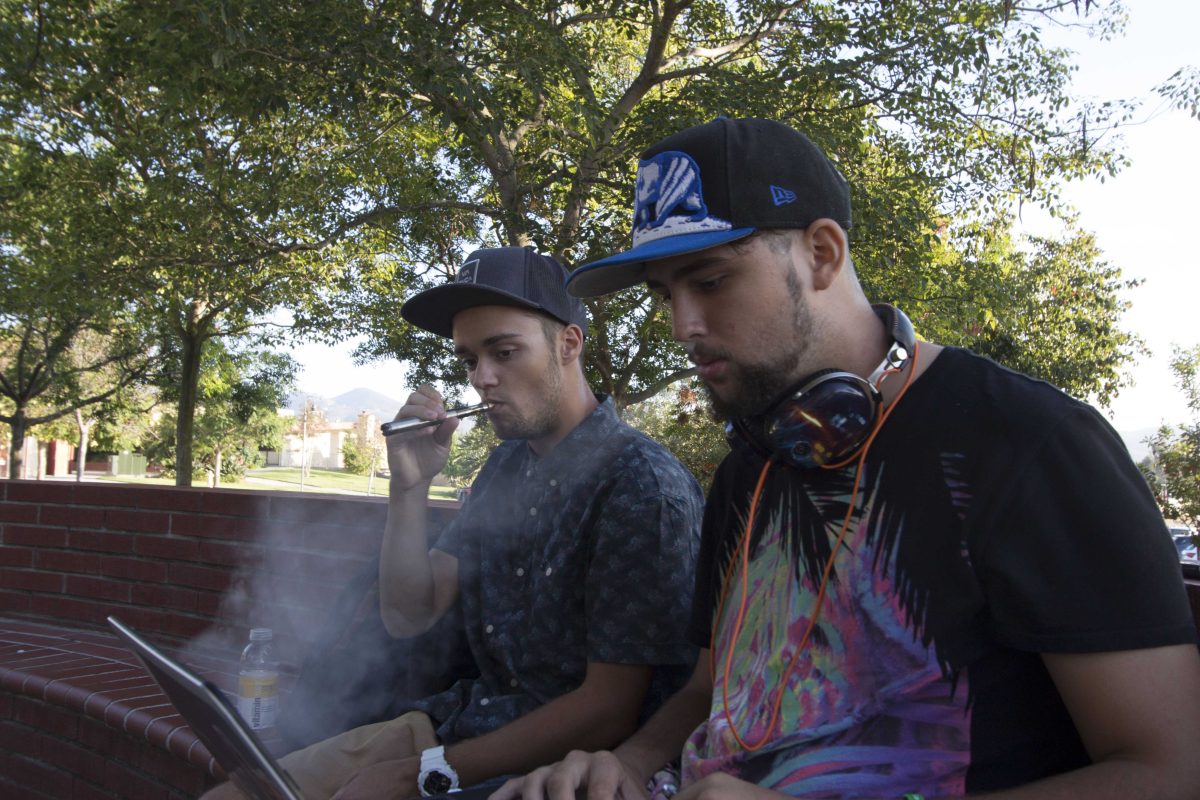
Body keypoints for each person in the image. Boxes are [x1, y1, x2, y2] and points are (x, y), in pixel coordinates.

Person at [491, 118, 1200, 800]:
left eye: (709, 282)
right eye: (666, 294)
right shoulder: (751, 464)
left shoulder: (1033, 445)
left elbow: (1168, 774)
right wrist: (630, 764)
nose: (684, 327)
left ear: (823, 254)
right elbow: (714, 689)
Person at [204, 246, 704, 800]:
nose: (482, 379)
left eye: (504, 352)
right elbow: (408, 613)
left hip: (566, 770)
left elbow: (609, 711)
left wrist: (417, 774)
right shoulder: (507, 465)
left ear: (568, 344)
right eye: (469, 360)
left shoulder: (640, 484)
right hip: (460, 727)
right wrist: (409, 487)